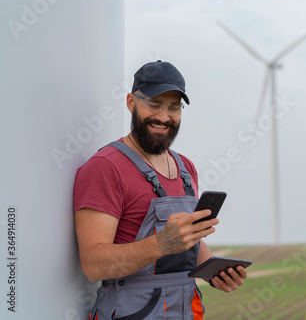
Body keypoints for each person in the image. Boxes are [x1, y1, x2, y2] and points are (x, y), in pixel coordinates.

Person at [73, 60, 247, 319]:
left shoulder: (186, 167)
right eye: (154, 104)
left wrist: (213, 272)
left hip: (185, 310)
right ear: (131, 103)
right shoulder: (105, 167)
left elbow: (191, 242)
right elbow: (93, 264)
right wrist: (162, 243)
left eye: (174, 107)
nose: (164, 117)